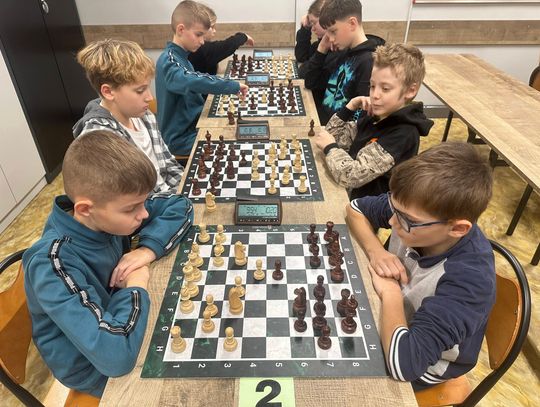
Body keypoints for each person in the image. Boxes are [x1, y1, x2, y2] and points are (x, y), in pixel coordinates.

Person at [23, 131, 194, 398]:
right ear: (85, 209)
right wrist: (136, 286)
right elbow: (115, 358)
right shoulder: (52, 263)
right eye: (132, 208)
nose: (144, 213)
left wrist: (146, 251)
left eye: (143, 202)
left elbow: (180, 205)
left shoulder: (107, 210)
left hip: (119, 320)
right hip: (93, 368)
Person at [347, 142, 496, 390]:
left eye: (406, 220)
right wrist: (376, 251)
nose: (392, 222)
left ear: (457, 228)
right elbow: (355, 210)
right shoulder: (414, 208)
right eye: (393, 208)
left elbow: (404, 365)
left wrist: (391, 292)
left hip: (423, 366)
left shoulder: (470, 280)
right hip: (390, 313)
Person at [315, 43, 433, 200]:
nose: (375, 95)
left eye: (385, 89)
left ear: (411, 90)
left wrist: (330, 148)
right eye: (372, 86)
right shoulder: (377, 115)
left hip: (365, 208)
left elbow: (350, 176)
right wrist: (350, 106)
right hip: (349, 194)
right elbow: (332, 137)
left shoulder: (403, 134)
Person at [73, 39, 183, 196]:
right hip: (148, 207)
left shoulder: (145, 116)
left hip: (169, 198)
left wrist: (186, 191)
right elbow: (126, 199)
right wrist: (175, 202)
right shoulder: (100, 139)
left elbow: (169, 165)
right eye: (140, 91)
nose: (149, 98)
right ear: (108, 92)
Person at [156, 0, 248, 158]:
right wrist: (231, 86)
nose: (202, 41)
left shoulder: (181, 58)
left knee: (241, 129)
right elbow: (192, 80)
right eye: (198, 35)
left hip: (195, 127)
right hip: (181, 140)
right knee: (238, 140)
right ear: (180, 29)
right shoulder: (169, 62)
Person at [302, 0, 385, 124]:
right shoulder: (343, 52)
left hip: (336, 132)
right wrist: (322, 48)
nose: (329, 38)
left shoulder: (369, 63)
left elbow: (361, 118)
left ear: (352, 24)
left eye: (333, 31)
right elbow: (310, 82)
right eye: (327, 32)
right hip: (322, 123)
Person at [188, 3, 254, 75]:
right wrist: (244, 36)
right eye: (212, 27)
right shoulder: (202, 49)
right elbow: (227, 45)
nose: (214, 31)